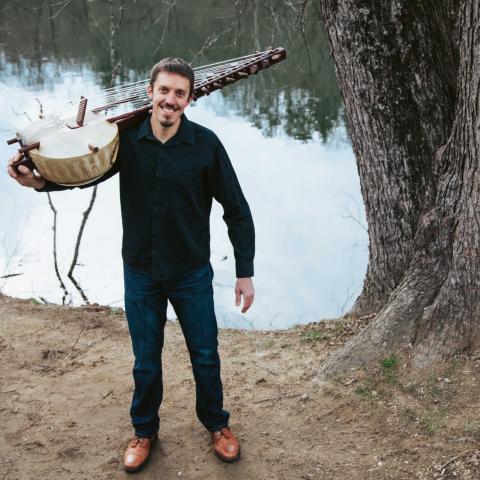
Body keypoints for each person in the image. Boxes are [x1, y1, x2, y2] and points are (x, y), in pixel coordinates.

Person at [7, 57, 255, 471]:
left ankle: (217, 425)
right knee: (145, 360)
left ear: (189, 99)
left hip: (191, 272)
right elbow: (84, 173)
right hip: (140, 272)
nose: (170, 100)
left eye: (179, 93)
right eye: (164, 91)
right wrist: (39, 181)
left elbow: (238, 211)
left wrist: (244, 271)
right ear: (150, 93)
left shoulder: (206, 145)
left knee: (206, 354)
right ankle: (144, 431)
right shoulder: (125, 141)